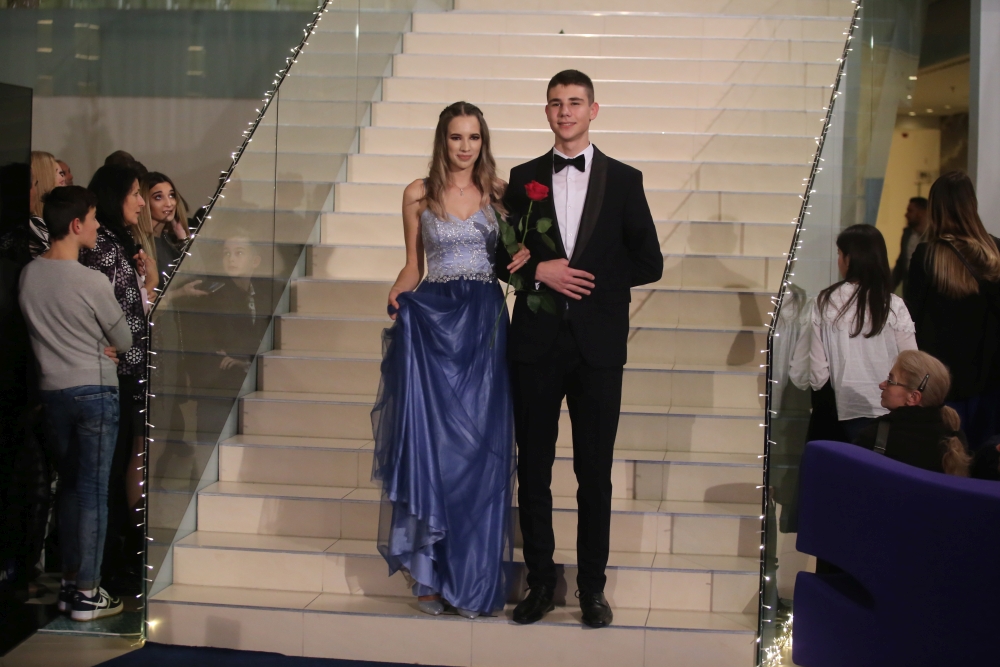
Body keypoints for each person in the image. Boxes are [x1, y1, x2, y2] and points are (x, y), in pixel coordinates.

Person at [495, 70, 663, 629]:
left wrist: (583, 277)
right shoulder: (522, 178)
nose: (564, 111)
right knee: (534, 469)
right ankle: (541, 583)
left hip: (599, 349)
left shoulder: (625, 180)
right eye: (555, 103)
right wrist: (540, 271)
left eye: (574, 102)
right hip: (535, 345)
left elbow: (649, 262)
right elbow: (501, 258)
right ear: (546, 112)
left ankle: (593, 588)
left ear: (593, 110)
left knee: (595, 473)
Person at [371, 101, 531, 619]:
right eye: (456, 137)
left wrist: (525, 258)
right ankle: (429, 575)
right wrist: (398, 292)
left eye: (474, 138)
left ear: (484, 142)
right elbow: (413, 265)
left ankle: (471, 579)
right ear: (443, 140)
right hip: (436, 322)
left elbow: (516, 259)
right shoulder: (417, 193)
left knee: (481, 451)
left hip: (484, 324)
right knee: (434, 447)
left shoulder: (501, 194)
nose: (465, 147)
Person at [18, 186, 133, 620]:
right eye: (93, 218)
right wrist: (103, 342)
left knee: (68, 487)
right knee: (92, 492)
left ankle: (70, 584)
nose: (98, 226)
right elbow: (124, 338)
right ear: (75, 224)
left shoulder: (29, 275)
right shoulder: (91, 280)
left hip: (52, 393)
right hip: (95, 391)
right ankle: (87, 590)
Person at [81, 164, 154, 593]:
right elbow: (102, 310)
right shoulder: (104, 248)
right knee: (111, 468)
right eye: (135, 194)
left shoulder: (120, 244)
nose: (142, 203)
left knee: (126, 461)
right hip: (116, 373)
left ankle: (119, 558)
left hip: (129, 371)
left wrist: (147, 279)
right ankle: (109, 565)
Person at [906, 171, 1000, 450]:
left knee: (944, 456)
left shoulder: (926, 256)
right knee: (985, 458)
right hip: (990, 379)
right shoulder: (995, 252)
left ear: (936, 208)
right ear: (972, 204)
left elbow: (912, 319)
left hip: (941, 381)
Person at [799, 224, 917, 442]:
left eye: (839, 254)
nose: (838, 261)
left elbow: (818, 371)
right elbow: (911, 361)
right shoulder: (894, 304)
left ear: (850, 258)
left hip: (840, 407)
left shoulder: (825, 301)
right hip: (887, 409)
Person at [854, 350, 971, 476]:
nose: (882, 385)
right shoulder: (955, 436)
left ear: (913, 397)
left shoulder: (874, 436)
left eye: (890, 380)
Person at [144, 172, 190, 281]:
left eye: (171, 195)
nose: (169, 204)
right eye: (158, 197)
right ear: (144, 202)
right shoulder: (139, 243)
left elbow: (196, 272)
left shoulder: (168, 239)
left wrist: (183, 237)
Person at [891, 196, 928, 293]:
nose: (906, 215)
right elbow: (901, 262)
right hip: (909, 289)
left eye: (910, 211)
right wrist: (889, 288)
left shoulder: (934, 236)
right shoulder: (907, 234)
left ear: (920, 213)